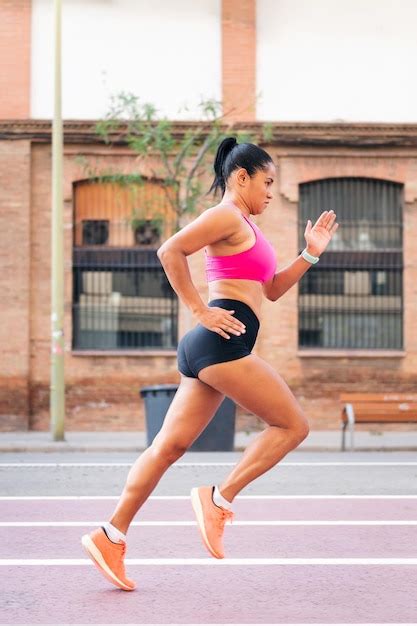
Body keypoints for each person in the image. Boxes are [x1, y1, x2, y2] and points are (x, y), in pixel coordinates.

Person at [81, 136, 339, 591]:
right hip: (223, 342)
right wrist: (200, 310)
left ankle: (110, 535)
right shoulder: (224, 215)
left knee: (167, 448)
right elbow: (169, 251)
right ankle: (219, 499)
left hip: (209, 348)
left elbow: (273, 289)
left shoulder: (244, 225)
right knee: (292, 427)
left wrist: (310, 253)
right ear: (241, 177)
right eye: (267, 182)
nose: (271, 192)